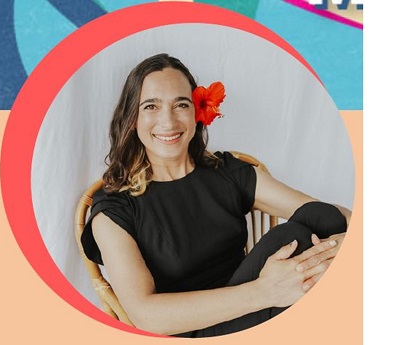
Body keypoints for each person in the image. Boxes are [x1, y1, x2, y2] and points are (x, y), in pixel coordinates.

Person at [81, 53, 351, 337]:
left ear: (196, 112)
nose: (168, 121)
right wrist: (265, 291)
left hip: (254, 307)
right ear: (132, 119)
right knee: (288, 239)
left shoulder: (225, 172)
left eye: (180, 104)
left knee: (321, 214)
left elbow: (331, 215)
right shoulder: (114, 209)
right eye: (151, 106)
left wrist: (344, 247)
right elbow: (147, 317)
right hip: (192, 329)